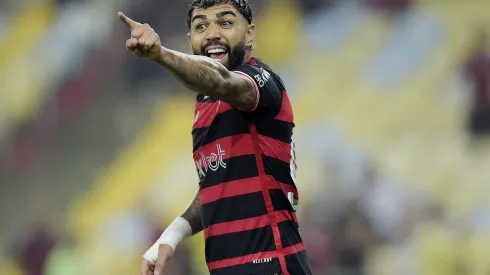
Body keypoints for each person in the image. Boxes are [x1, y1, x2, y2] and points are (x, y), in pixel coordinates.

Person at [118, 1, 312, 275]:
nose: (212, 34)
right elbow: (215, 187)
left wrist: (159, 54)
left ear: (249, 34)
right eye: (201, 26)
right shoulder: (205, 104)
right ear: (191, 40)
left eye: (225, 23)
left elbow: (219, 79)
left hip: (273, 265)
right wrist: (171, 236)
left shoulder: (261, 82)